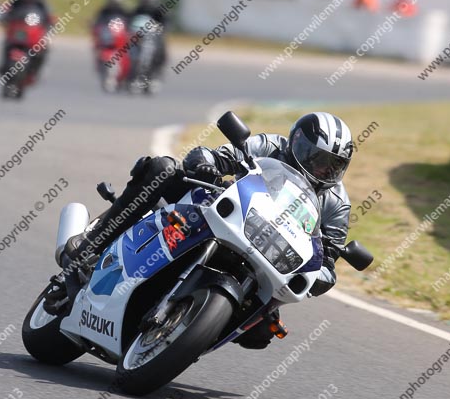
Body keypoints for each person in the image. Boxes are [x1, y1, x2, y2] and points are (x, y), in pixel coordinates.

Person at [50, 113, 353, 349]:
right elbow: (213, 155)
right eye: (318, 158)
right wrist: (206, 165)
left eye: (333, 165)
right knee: (162, 169)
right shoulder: (272, 146)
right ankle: (90, 245)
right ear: (297, 142)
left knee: (262, 331)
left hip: (269, 252)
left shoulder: (336, 202)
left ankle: (189, 330)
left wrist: (317, 276)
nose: (322, 169)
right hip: (224, 210)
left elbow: (327, 262)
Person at [0, 0, 53, 75]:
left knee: (44, 48)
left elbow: (49, 17)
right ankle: (3, 66)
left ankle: (35, 71)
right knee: (7, 44)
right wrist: (4, 20)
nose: (27, 0)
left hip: (33, 33)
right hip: (17, 32)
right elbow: (4, 12)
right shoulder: (15, 1)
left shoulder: (41, 3)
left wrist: (48, 26)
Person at [128, 0, 166, 81]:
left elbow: (164, 21)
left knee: (161, 49)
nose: (148, 1)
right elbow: (131, 17)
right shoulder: (139, 7)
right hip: (138, 34)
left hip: (153, 35)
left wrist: (161, 28)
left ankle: (157, 70)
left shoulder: (159, 8)